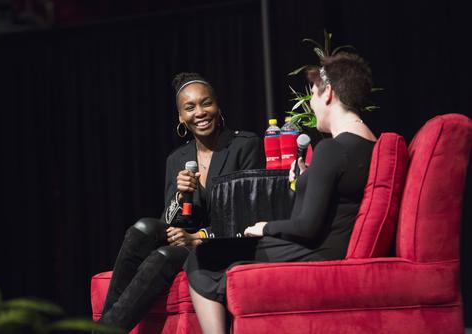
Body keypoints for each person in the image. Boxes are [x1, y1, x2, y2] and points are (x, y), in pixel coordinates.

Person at [185, 53, 378, 334]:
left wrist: (265, 227)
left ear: (329, 95)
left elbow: (306, 227)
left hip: (316, 252)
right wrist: (305, 178)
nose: (311, 103)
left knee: (201, 258)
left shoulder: (332, 149)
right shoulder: (369, 144)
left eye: (312, 93)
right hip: (331, 246)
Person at [99, 72, 265, 330]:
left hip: (225, 244)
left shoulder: (244, 145)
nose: (200, 112)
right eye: (190, 107)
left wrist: (197, 237)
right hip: (186, 241)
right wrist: (180, 196)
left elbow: (244, 216)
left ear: (217, 105)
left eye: (206, 103)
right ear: (181, 117)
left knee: (163, 256)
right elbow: (169, 221)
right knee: (143, 228)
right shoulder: (178, 158)